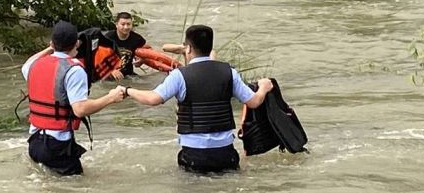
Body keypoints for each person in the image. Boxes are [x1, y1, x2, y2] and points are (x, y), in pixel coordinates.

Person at [119, 24, 274, 173]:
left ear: (189, 48)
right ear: (210, 47)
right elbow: (254, 102)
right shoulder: (229, 72)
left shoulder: (179, 75)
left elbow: (153, 99)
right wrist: (264, 87)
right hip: (225, 154)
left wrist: (128, 90)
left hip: (194, 155)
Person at [22, 20, 125, 175]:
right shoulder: (74, 70)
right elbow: (80, 109)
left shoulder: (33, 65)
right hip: (58, 146)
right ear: (77, 43)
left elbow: (28, 62)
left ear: (52, 43)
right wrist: (111, 97)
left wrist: (51, 48)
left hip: (34, 143)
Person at [103, 11, 147, 80]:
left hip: (128, 74)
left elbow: (148, 52)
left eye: (128, 24)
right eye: (123, 24)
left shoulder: (138, 39)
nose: (126, 27)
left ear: (132, 25)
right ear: (116, 25)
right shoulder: (107, 38)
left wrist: (142, 60)